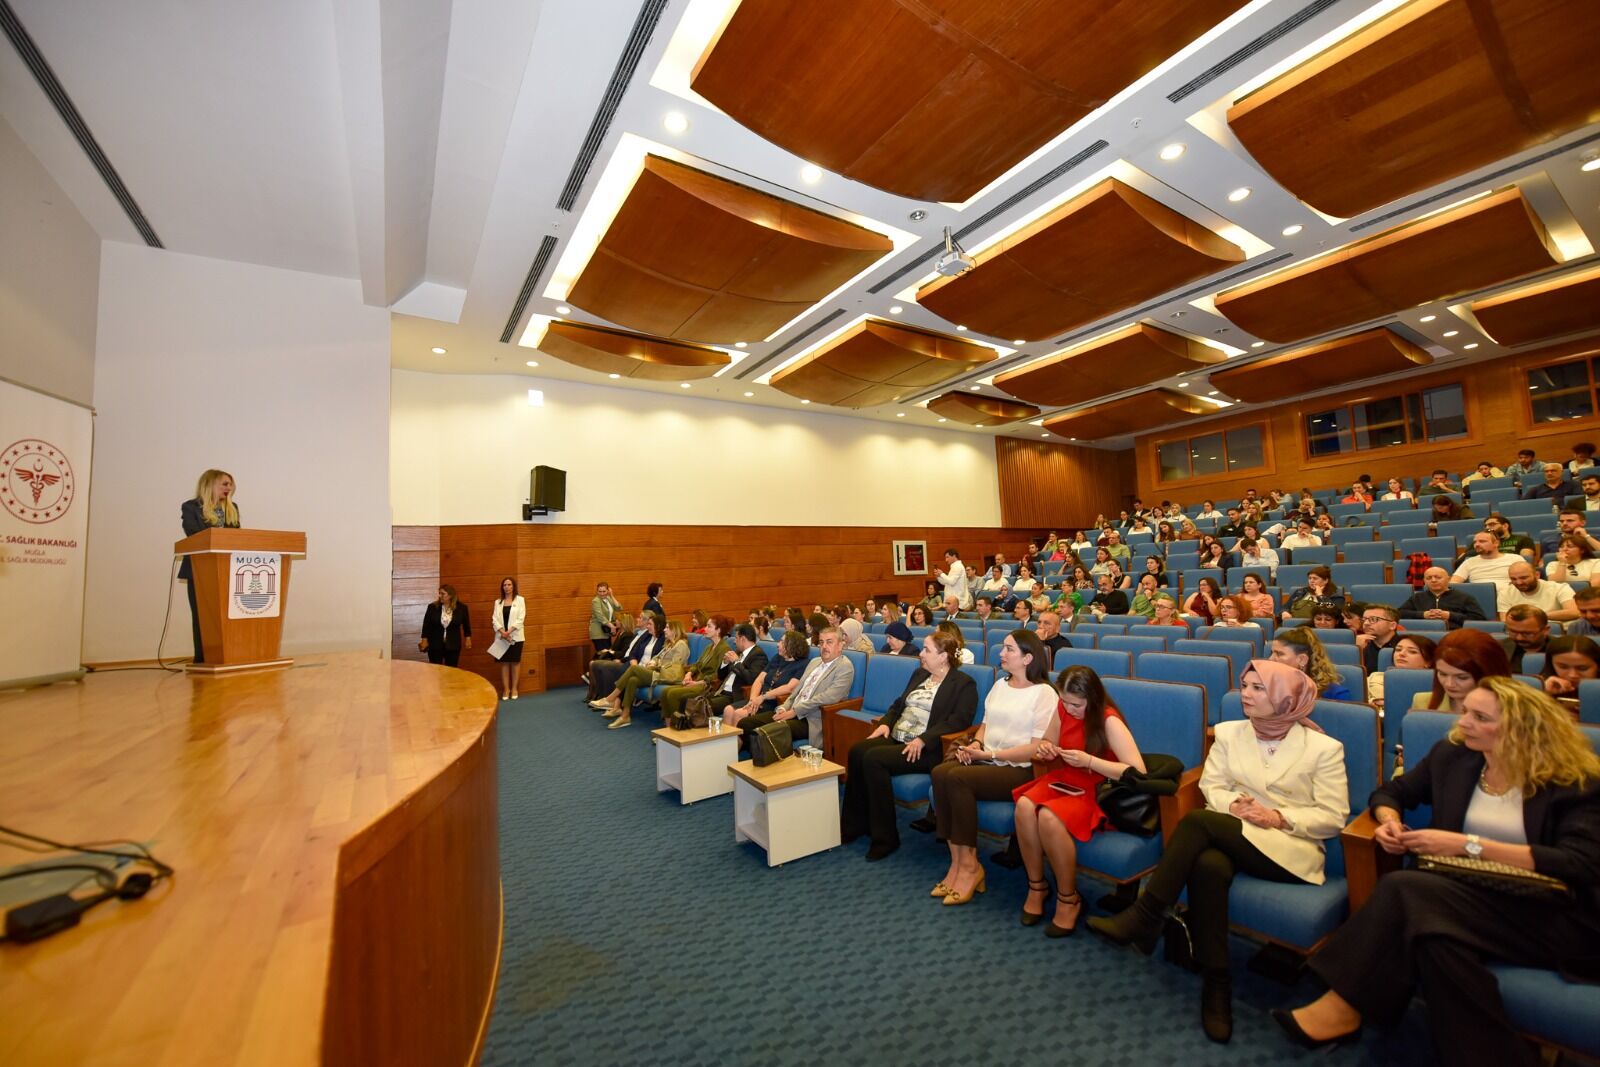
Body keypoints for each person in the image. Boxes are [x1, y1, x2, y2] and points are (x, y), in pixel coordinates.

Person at [1279, 679, 1600, 1063]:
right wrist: (1389, 821)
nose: (1463, 722)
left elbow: (1580, 863)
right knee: (1436, 942)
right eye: (1465, 712)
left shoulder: (1573, 781)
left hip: (1551, 912)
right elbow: (1392, 792)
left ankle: (1344, 1004)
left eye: (1480, 717)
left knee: (1403, 888)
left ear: (1521, 728)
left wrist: (1468, 845)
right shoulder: (1455, 756)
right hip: (1463, 896)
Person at [1089, 661, 1348, 1043]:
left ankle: (1146, 914)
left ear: (1285, 698)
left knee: (1197, 822)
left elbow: (1332, 816)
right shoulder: (1229, 733)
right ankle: (1217, 984)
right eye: (1245, 686)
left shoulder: (1323, 748)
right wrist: (1237, 807)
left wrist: (1276, 817)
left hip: (1289, 848)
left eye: (1258, 688)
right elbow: (1212, 786)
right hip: (1232, 830)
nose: (1246, 694)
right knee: (1208, 865)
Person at [929, 631, 1059, 907]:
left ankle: (970, 867)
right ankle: (957, 862)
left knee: (958, 779)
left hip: (1022, 769)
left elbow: (1037, 747)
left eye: (1009, 649)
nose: (1002, 653)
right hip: (988, 758)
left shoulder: (1044, 693)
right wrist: (975, 744)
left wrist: (989, 754)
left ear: (1028, 658)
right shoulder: (1001, 685)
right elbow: (985, 725)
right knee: (940, 772)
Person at [1013, 666, 1146, 935]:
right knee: (1024, 806)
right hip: (1066, 778)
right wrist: (1047, 748)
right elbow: (1048, 741)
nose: (1069, 709)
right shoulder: (1063, 707)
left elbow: (1137, 771)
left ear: (1092, 699)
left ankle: (1068, 898)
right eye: (1064, 701)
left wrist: (1089, 761)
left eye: (1076, 704)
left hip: (1097, 788)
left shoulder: (1109, 720)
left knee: (1048, 817)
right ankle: (1037, 886)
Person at [842, 631, 979, 860]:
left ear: (943, 656)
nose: (921, 654)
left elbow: (959, 721)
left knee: (874, 759)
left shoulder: (963, 684)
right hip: (898, 736)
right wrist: (885, 723)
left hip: (927, 748)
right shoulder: (920, 674)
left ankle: (885, 838)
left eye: (927, 650)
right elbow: (898, 704)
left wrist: (924, 738)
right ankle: (855, 824)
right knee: (857, 750)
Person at [752, 625, 853, 750]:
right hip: (792, 711)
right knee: (749, 724)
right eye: (821, 642)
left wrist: (795, 711)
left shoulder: (844, 666)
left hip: (811, 718)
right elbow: (797, 690)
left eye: (829, 642)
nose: (824, 646)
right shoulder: (814, 662)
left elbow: (828, 697)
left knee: (767, 732)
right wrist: (784, 707)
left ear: (841, 645)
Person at [179, 468, 241, 664]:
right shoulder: (191, 507)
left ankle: (228, 656)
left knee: (227, 616)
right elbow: (193, 533)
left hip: (226, 570)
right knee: (202, 616)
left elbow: (237, 538)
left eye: (231, 485)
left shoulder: (232, 508)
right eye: (225, 484)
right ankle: (202, 659)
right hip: (199, 571)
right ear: (210, 484)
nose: (229, 488)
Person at [593, 619, 691, 724]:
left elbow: (674, 665)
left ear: (675, 630)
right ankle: (625, 715)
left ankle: (611, 698)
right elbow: (657, 657)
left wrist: (655, 665)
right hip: (661, 673)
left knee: (634, 668)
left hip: (670, 677)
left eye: (667, 628)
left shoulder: (681, 645)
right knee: (633, 680)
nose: (664, 630)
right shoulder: (669, 644)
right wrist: (653, 661)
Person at [657, 615, 733, 728]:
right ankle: (668, 727)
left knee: (672, 694)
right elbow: (697, 664)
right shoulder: (709, 647)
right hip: (696, 681)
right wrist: (689, 673)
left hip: (706, 686)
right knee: (665, 692)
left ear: (718, 630)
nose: (705, 629)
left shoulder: (724, 649)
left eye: (709, 626)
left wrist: (698, 682)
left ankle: (676, 726)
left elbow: (718, 675)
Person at [724, 628, 809, 729]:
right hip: (758, 699)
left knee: (738, 713)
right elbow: (759, 680)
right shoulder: (777, 658)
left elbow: (790, 688)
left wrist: (762, 697)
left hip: (774, 702)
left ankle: (736, 740)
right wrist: (752, 700)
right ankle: (727, 740)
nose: (778, 644)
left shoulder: (803, 664)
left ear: (793, 646)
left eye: (782, 642)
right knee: (728, 710)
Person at [1416, 628, 1512, 712]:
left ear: (1487, 674)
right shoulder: (1422, 702)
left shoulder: (1512, 709)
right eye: (1442, 674)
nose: (1449, 684)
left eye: (1462, 677)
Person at [585, 611, 655, 703]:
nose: (637, 619)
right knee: (596, 664)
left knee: (604, 666)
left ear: (646, 621)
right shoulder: (637, 634)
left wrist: (621, 659)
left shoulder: (641, 635)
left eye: (640, 618)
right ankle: (598, 696)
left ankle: (607, 699)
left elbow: (633, 654)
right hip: (627, 660)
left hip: (630, 662)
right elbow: (630, 652)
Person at [705, 623, 769, 716]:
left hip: (733, 696)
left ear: (742, 639)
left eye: (736, 638)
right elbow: (721, 676)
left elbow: (751, 678)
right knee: (692, 701)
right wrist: (724, 663)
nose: (734, 642)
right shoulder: (738, 652)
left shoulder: (758, 655)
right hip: (720, 691)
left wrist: (737, 662)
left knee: (702, 706)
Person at [1272, 626, 1352, 700]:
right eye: (1271, 653)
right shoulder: (1271, 686)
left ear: (1302, 660)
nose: (1271, 659)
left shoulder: (1336, 695)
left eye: (1279, 654)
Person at [1399, 566, 1486, 629]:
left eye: (1438, 577)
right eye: (1429, 578)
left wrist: (1450, 615)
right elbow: (1399, 613)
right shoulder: (1417, 597)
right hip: (1424, 632)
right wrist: (1422, 614)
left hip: (1454, 633)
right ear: (1424, 581)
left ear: (1448, 579)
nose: (1433, 580)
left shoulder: (1464, 597)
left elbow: (1479, 619)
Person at [1369, 632, 1437, 707]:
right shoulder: (1374, 678)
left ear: (1428, 662)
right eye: (1398, 650)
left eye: (1412, 652)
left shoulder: (1439, 684)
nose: (1401, 654)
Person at [1498, 561, 1577, 622]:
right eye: (1513, 579)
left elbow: (1574, 612)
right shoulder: (1505, 592)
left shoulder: (1560, 588)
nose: (1519, 582)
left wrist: (1534, 616)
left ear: (1537, 575)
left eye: (1524, 578)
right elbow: (1505, 620)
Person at [488, 577, 526, 700]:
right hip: (501, 637)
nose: (507, 587)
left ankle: (514, 688)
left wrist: (509, 632)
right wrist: (502, 632)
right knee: (504, 663)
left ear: (513, 586)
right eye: (505, 585)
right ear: (502, 587)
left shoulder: (520, 600)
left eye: (509, 584)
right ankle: (506, 689)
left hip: (516, 637)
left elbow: (521, 619)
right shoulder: (498, 602)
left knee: (515, 662)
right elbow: (494, 619)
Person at [419, 584, 472, 667]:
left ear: (450, 595)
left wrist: (468, 638)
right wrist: (424, 640)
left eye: (443, 594)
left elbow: (466, 624)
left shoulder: (462, 608)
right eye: (439, 593)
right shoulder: (432, 607)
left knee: (451, 669)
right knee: (435, 669)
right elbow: (426, 625)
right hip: (435, 644)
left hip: (453, 644)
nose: (440, 596)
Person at [1451, 531, 1518, 590]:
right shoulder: (1469, 562)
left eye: (1482, 541)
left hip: (1509, 594)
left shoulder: (1514, 558)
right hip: (1479, 595)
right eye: (1475, 542)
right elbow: (1454, 583)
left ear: (1496, 543)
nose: (1477, 544)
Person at [1499, 604, 1551, 673]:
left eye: (1527, 633)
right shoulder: (1498, 648)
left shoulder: (1562, 651)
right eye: (1513, 632)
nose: (1519, 638)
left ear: (1545, 630)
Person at [1355, 604, 1403, 675]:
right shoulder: (1361, 644)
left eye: (1374, 619)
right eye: (1364, 620)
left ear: (1392, 625)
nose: (1366, 623)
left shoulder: (1404, 647)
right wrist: (1357, 650)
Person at [588, 581, 623, 653]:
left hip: (607, 632)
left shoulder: (609, 599)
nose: (602, 593)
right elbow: (600, 616)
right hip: (598, 632)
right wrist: (612, 626)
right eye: (599, 591)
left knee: (607, 654)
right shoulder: (596, 601)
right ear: (597, 591)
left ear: (608, 590)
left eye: (604, 591)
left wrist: (612, 595)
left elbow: (618, 608)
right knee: (604, 654)